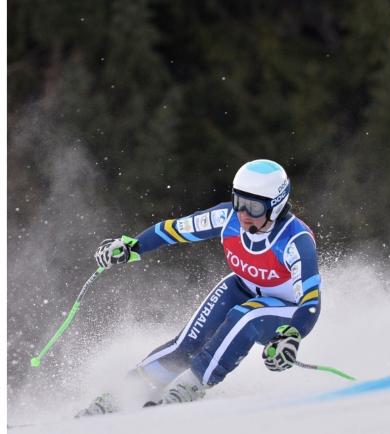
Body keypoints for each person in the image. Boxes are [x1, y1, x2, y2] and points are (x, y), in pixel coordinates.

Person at [78, 159, 321, 415]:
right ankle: (126, 391)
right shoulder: (228, 218)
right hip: (242, 287)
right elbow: (171, 230)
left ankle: (190, 386)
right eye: (238, 201)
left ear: (276, 205)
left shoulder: (296, 241)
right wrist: (131, 248)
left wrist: (292, 335)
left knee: (246, 315)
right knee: (188, 343)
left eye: (254, 207)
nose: (243, 213)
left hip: (287, 310)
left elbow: (311, 300)